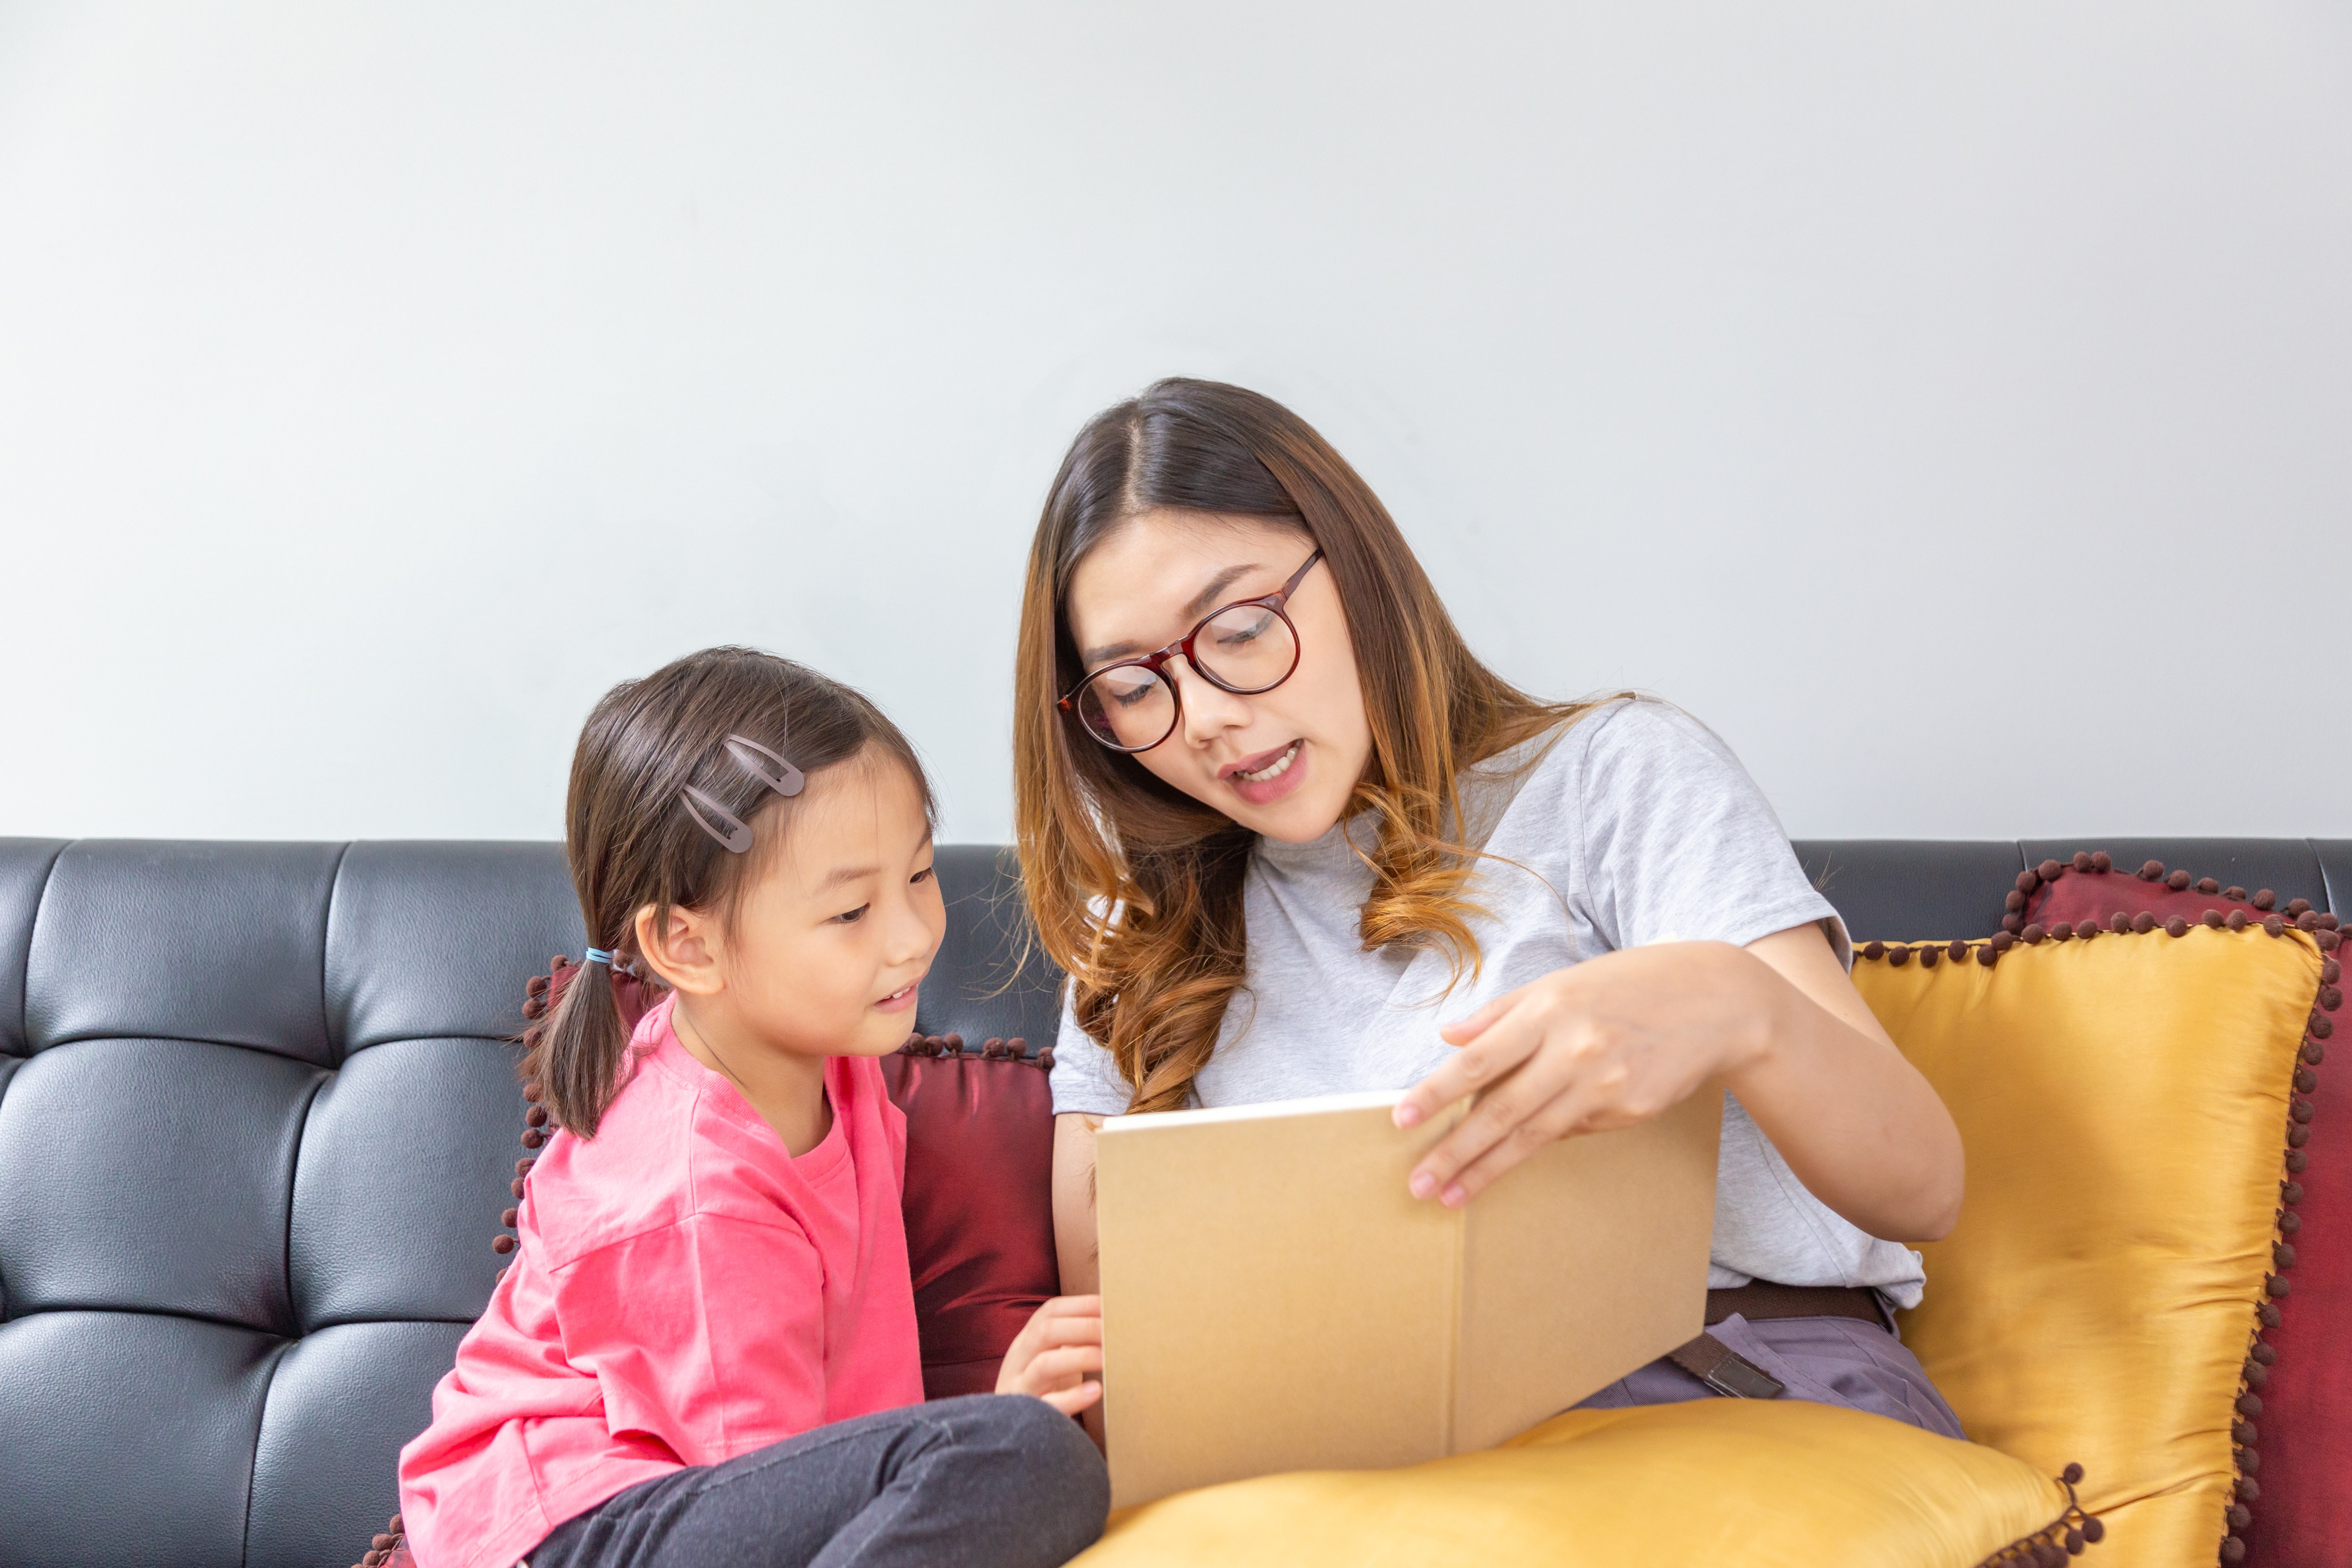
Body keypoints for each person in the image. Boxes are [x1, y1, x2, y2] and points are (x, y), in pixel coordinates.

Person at [1012, 379, 1968, 1435]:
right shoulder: (1133, 937)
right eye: (1136, 689)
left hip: (1724, 1384)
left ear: (1359, 570)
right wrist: (1054, 1404)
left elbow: (1925, 1193)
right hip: (1356, 1446)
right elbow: (1131, 1364)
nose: (1205, 718)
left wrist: (1741, 1008)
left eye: (1239, 628)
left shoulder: (1612, 777)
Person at [399, 647, 1109, 1568]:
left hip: (697, 1508)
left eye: (922, 876)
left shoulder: (832, 1069)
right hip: (577, 1533)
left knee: (1020, 1460)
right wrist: (992, 1431)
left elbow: (833, 1479)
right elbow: (773, 1501)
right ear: (687, 946)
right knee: (1021, 1459)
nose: (912, 937)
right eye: (852, 912)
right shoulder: (696, 1192)